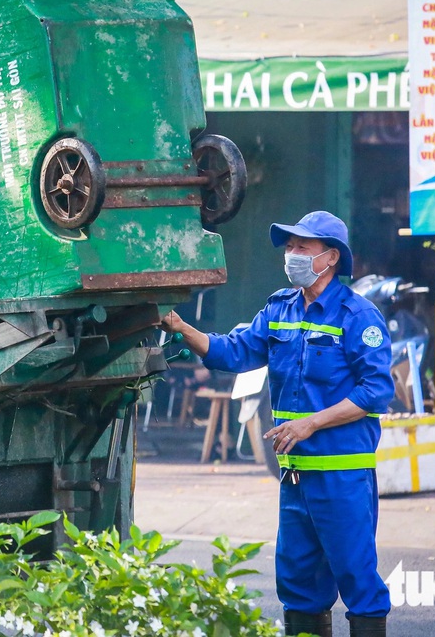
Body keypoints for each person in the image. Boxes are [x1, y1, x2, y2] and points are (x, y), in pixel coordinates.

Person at [161, 211, 393, 637]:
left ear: (331, 258)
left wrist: (311, 424)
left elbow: (375, 391)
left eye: (302, 247)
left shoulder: (358, 316)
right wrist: (181, 328)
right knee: (299, 587)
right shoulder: (278, 308)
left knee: (359, 582)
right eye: (289, 246)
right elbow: (233, 352)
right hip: (295, 480)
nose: (292, 254)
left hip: (342, 476)